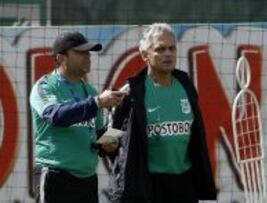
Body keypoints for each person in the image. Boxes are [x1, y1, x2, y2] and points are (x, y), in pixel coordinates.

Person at [107, 23, 217, 203]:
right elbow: (111, 136)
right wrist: (110, 144)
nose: (168, 54)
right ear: (145, 55)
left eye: (172, 48)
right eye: (160, 49)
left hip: (184, 183)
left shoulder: (186, 86)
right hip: (148, 186)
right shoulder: (131, 93)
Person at [29, 31, 123, 203]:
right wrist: (97, 103)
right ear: (61, 58)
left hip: (87, 180)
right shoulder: (44, 86)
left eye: (89, 52)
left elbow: (98, 136)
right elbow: (55, 115)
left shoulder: (91, 92)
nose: (87, 56)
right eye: (81, 52)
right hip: (55, 177)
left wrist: (111, 141)